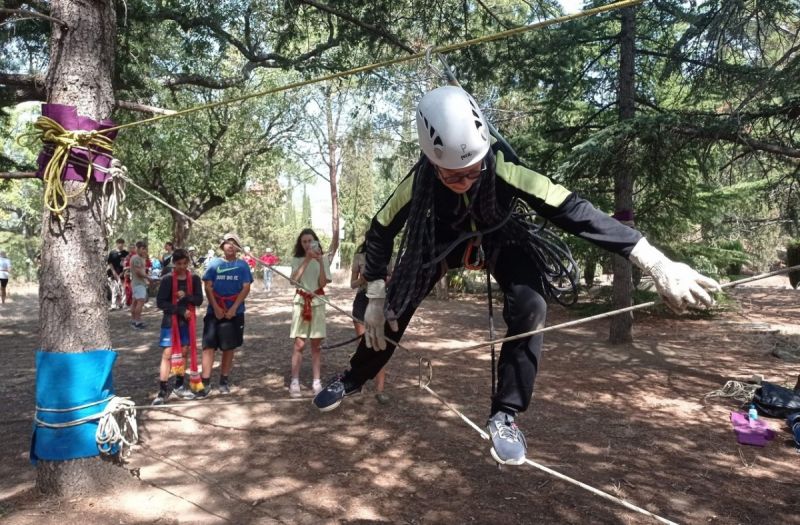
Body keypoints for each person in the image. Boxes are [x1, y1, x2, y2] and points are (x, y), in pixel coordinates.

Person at [313, 86, 721, 465]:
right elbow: (382, 227)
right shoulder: (419, 181)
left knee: (532, 306)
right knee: (385, 310)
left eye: (474, 170)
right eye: (454, 176)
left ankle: (505, 415)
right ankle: (355, 376)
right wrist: (379, 293)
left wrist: (652, 259)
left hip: (501, 237)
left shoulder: (505, 168)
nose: (466, 180)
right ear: (432, 163)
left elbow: (572, 209)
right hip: (437, 242)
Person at [197, 233, 252, 398]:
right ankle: (205, 382)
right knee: (209, 346)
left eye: (233, 243)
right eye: (226, 243)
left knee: (229, 347)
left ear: (238, 247)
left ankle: (224, 380)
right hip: (215, 311)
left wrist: (234, 308)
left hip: (235, 312)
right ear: (222, 246)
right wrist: (216, 307)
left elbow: (246, 287)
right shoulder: (214, 264)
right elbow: (208, 286)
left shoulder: (242, 266)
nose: (230, 245)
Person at [152, 249, 204, 405]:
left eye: (184, 263)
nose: (182, 266)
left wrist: (186, 296)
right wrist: (180, 310)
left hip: (187, 322)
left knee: (184, 352)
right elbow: (161, 303)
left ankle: (179, 385)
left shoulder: (194, 278)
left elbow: (199, 300)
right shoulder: (168, 280)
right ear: (174, 263)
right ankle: (162, 390)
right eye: (178, 263)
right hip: (170, 321)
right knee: (167, 354)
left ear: (188, 262)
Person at [288, 229, 332, 397]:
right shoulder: (297, 259)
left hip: (317, 303)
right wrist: (306, 259)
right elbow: (293, 281)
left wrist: (320, 262)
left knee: (316, 346)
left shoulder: (324, 259)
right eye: (304, 241)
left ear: (316, 242)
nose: (307, 244)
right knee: (299, 344)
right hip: (301, 302)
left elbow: (322, 283)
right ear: (300, 244)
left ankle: (316, 381)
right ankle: (294, 381)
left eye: (310, 241)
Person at [351, 241, 389, 404]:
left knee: (378, 347)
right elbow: (352, 284)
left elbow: (391, 279)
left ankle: (380, 391)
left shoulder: (386, 257)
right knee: (362, 348)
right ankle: (359, 387)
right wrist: (363, 279)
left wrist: (384, 280)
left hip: (378, 303)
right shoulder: (359, 257)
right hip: (361, 303)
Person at [129, 241, 153, 329]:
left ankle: (133, 320)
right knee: (140, 302)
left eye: (145, 249)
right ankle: (137, 322)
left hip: (137, 283)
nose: (144, 251)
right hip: (138, 283)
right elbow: (138, 272)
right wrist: (148, 278)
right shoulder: (136, 258)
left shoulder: (139, 258)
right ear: (138, 248)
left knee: (135, 302)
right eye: (142, 249)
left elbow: (141, 270)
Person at [106, 238, 128, 310]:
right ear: (117, 243)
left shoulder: (125, 253)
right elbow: (110, 263)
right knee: (114, 289)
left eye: (122, 243)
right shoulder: (112, 253)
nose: (120, 244)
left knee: (123, 288)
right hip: (113, 273)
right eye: (119, 243)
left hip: (123, 273)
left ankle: (122, 303)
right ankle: (113, 304)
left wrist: (123, 272)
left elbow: (127, 263)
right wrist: (114, 272)